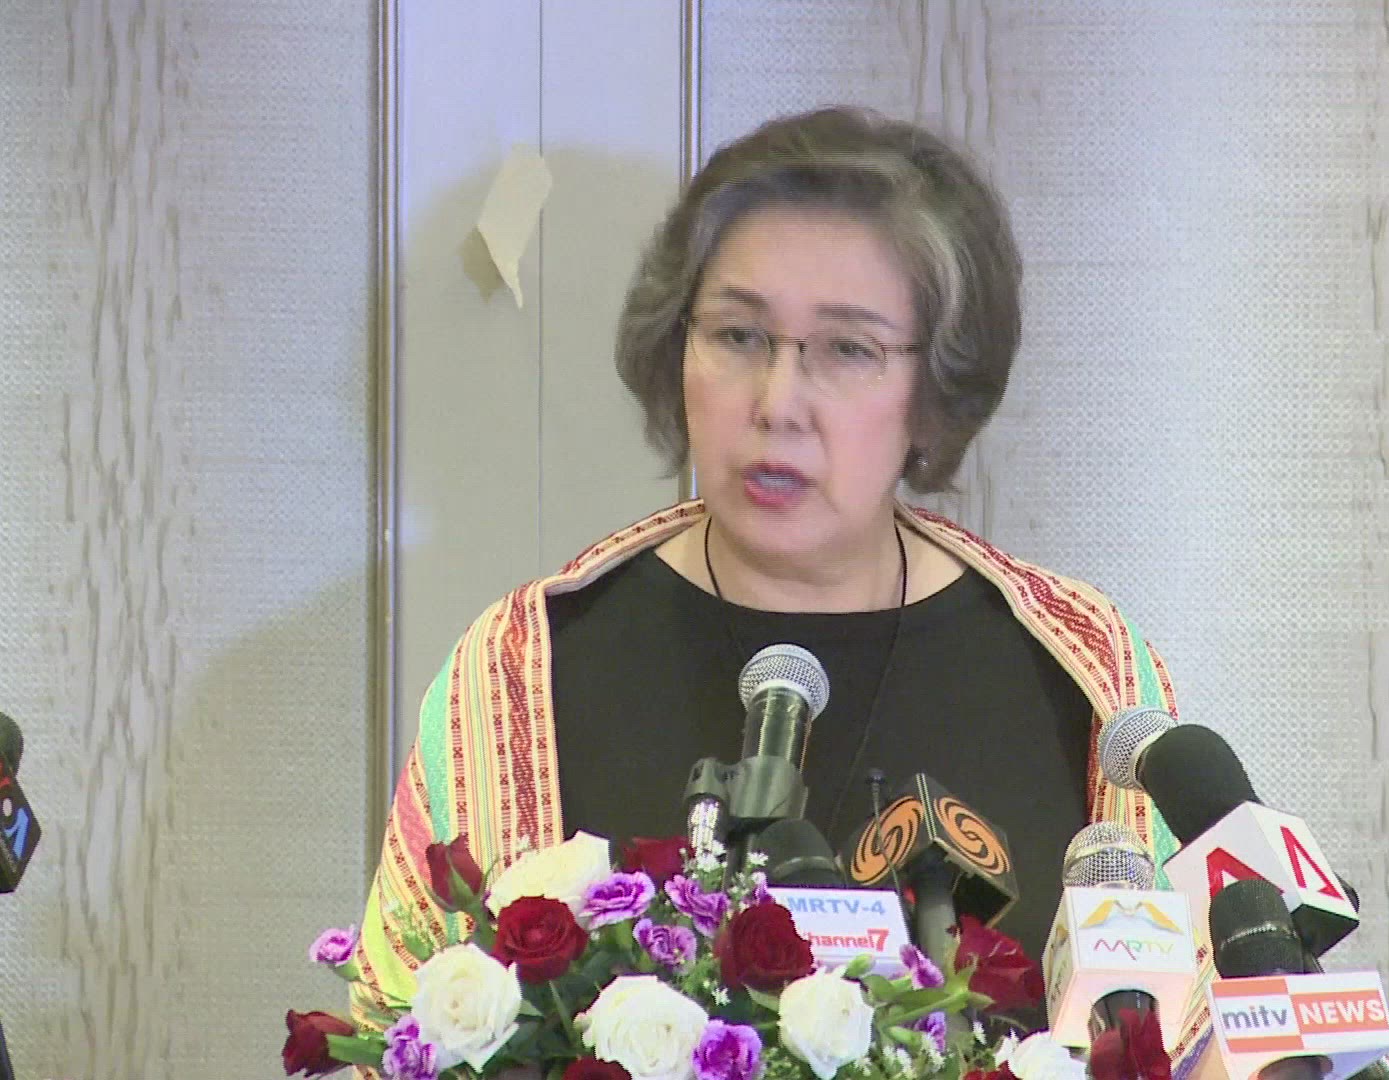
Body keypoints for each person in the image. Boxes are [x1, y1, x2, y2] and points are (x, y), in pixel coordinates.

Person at [350, 106, 1179, 1030]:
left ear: (935, 388)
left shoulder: (1082, 670)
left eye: (849, 348)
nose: (778, 404)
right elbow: (397, 1032)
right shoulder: (522, 668)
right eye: (739, 336)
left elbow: (1187, 1031)